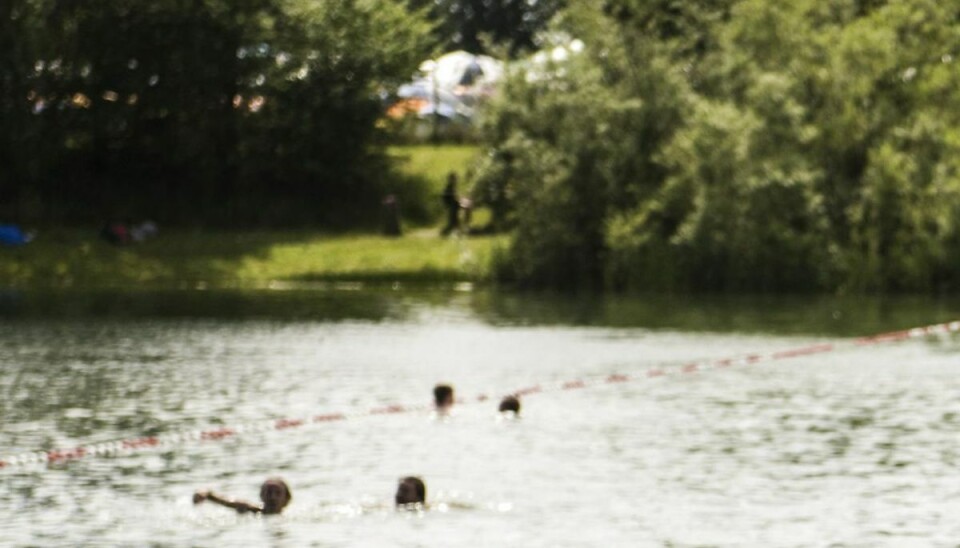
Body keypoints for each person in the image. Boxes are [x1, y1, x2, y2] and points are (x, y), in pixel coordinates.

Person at [193, 477, 292, 515]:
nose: (272, 497)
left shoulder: (293, 518)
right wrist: (202, 493)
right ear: (261, 496)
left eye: (278, 493)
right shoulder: (249, 509)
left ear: (287, 499)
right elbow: (220, 499)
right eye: (269, 492)